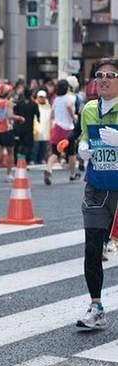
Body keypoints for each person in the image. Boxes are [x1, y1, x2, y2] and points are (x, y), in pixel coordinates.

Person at [75, 57, 118, 329]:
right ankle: (96, 306)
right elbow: (83, 136)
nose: (103, 79)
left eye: (110, 76)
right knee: (92, 249)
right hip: (96, 187)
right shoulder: (89, 109)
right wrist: (82, 147)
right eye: (99, 74)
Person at [45, 79, 78, 185]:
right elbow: (69, 106)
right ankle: (72, 174)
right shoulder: (68, 98)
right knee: (71, 153)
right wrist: (73, 116)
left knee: (55, 152)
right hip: (67, 129)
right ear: (67, 88)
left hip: (57, 128)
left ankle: (48, 169)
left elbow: (52, 115)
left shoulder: (56, 99)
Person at [0, 88, 23, 182]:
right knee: (10, 153)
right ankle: (8, 174)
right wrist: (19, 118)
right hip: (6, 130)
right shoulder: (8, 103)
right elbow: (10, 116)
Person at [14, 88, 40, 164]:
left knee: (20, 144)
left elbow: (15, 114)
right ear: (31, 94)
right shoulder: (34, 104)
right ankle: (25, 161)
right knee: (28, 145)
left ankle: (19, 160)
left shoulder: (19, 103)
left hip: (20, 126)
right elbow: (38, 116)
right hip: (29, 127)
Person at [33, 90, 52, 164]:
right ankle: (33, 159)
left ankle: (42, 159)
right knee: (35, 146)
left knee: (44, 146)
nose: (41, 99)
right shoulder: (35, 105)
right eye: (40, 97)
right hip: (37, 128)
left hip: (45, 129)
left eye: (42, 97)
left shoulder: (48, 106)